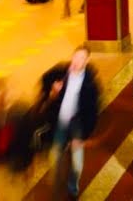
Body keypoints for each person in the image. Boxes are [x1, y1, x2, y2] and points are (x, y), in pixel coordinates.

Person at [42, 46, 100, 199]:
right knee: (54, 159)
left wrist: (83, 137)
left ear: (86, 61)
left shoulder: (90, 84)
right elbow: (44, 80)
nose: (76, 61)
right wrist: (52, 91)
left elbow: (93, 113)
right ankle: (56, 189)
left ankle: (72, 187)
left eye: (81, 58)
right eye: (75, 57)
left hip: (77, 124)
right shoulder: (61, 73)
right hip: (60, 121)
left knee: (77, 164)